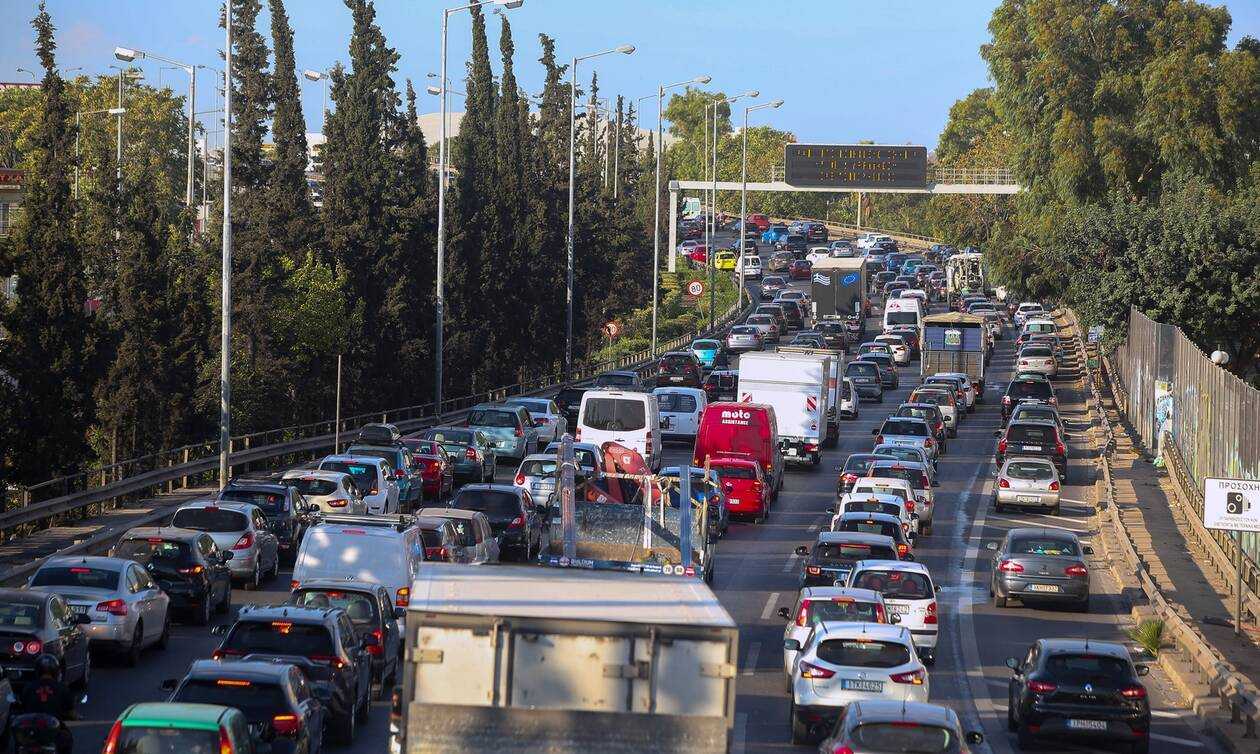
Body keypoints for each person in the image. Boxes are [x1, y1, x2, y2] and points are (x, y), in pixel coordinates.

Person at [18, 654, 75, 754]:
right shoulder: (62, 688)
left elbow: (22, 705)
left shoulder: (28, 687)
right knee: (67, 739)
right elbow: (70, 711)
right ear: (56, 671)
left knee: (19, 742)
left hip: (31, 729)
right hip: (52, 729)